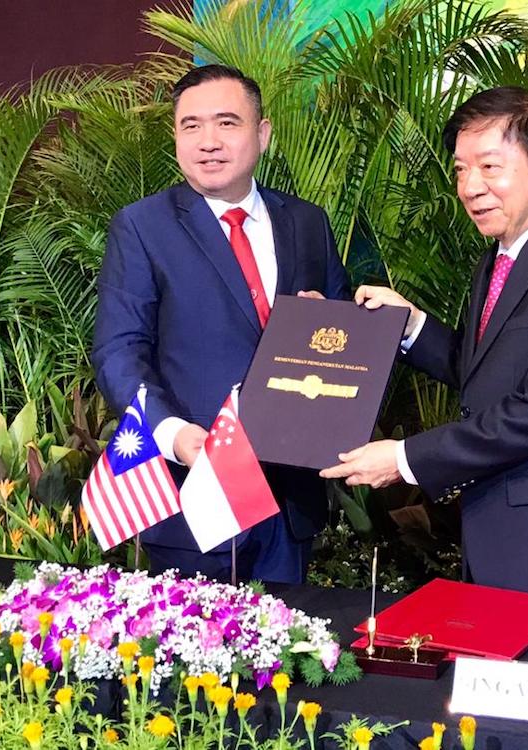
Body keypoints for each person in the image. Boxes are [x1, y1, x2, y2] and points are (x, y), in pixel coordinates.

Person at [321, 86, 528, 612]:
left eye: (490, 167)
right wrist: (409, 326)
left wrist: (405, 458)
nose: (470, 187)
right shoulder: (499, 257)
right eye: (459, 170)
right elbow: (484, 374)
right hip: (499, 539)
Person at [92, 64, 350, 583]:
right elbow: (119, 351)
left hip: (290, 495)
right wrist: (175, 434)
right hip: (194, 494)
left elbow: (344, 341)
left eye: (227, 123)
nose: (208, 141)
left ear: (263, 133)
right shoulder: (142, 226)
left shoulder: (306, 222)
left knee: (285, 658)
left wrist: (327, 326)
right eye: (191, 126)